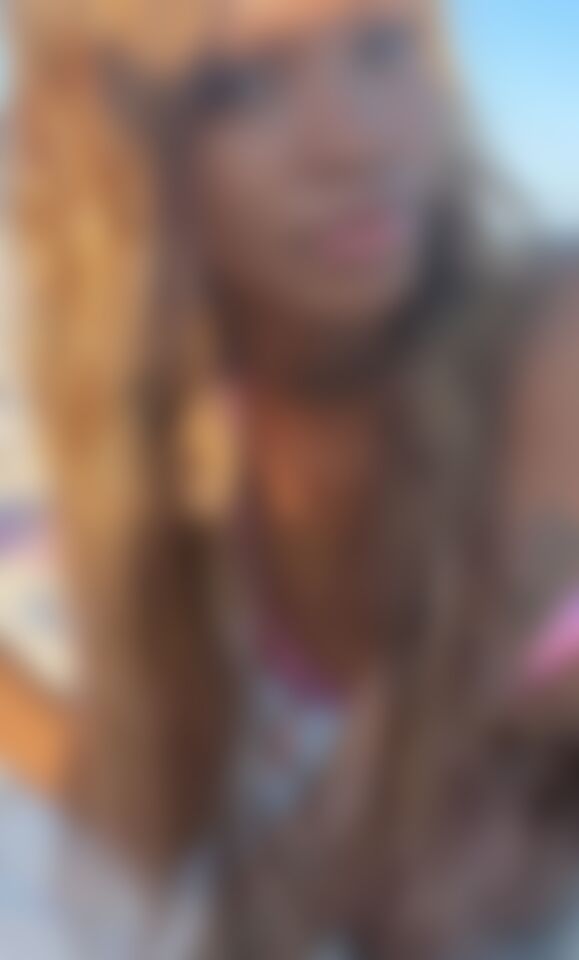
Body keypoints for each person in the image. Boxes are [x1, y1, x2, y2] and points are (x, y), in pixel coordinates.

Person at [10, 0, 579, 957]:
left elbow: (348, 847)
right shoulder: (185, 439)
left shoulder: (551, 334)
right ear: (119, 147)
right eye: (237, 88)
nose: (355, 144)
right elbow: (167, 810)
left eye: (382, 44)